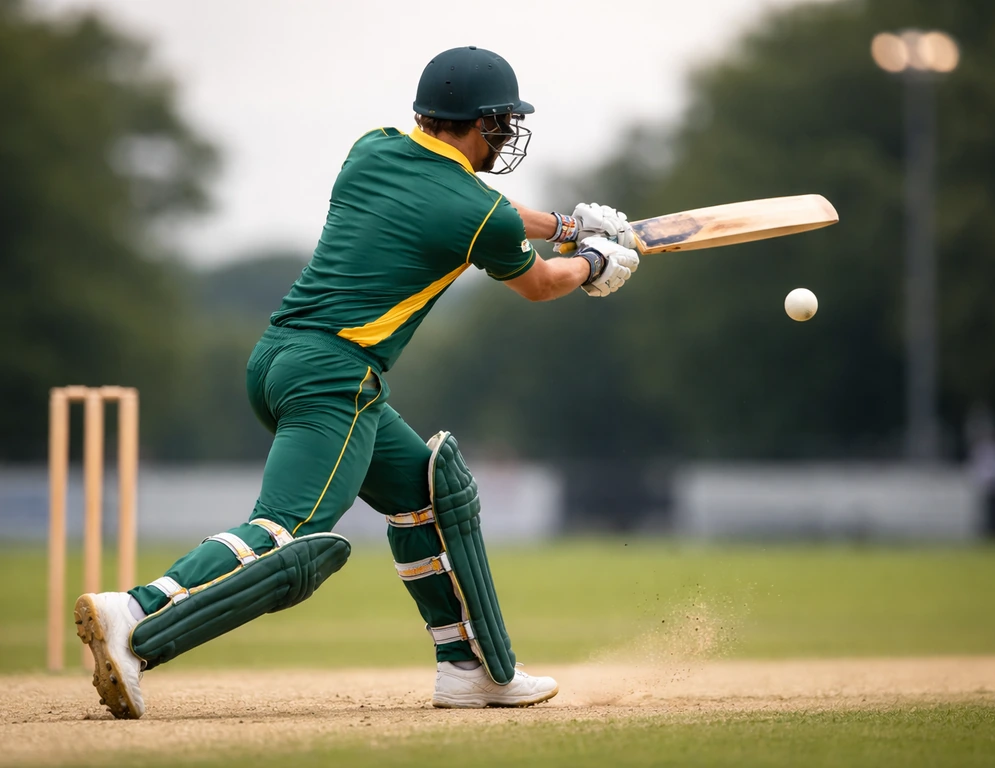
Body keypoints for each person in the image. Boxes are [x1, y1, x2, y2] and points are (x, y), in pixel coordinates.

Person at [74, 45, 640, 719]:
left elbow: (481, 209)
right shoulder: (476, 214)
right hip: (336, 376)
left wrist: (569, 227)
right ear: (482, 123)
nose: (508, 134)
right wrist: (592, 265)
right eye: (503, 122)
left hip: (279, 357)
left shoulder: (371, 148)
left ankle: (472, 670)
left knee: (430, 491)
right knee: (289, 533)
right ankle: (133, 613)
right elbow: (540, 282)